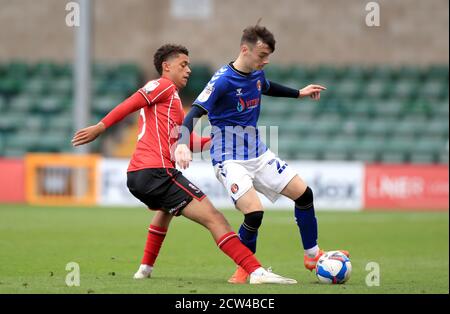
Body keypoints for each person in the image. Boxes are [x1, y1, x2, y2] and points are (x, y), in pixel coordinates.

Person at [71, 43, 296, 285]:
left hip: (139, 176)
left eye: (188, 65)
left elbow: (184, 140)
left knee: (165, 211)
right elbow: (131, 103)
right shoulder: (162, 85)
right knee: (215, 218)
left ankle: (145, 269)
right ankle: (256, 271)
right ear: (166, 67)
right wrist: (101, 127)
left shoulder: (171, 101)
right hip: (156, 171)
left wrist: (216, 139)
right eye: (183, 64)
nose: (188, 70)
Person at [175, 25, 349, 284]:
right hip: (229, 158)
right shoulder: (222, 79)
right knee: (254, 213)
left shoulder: (256, 74)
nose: (265, 60)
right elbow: (195, 111)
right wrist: (182, 143)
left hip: (258, 153)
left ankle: (312, 255)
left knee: (304, 194)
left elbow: (266, 86)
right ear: (245, 49)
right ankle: (246, 268)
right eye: (262, 54)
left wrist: (298, 93)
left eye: (268, 55)